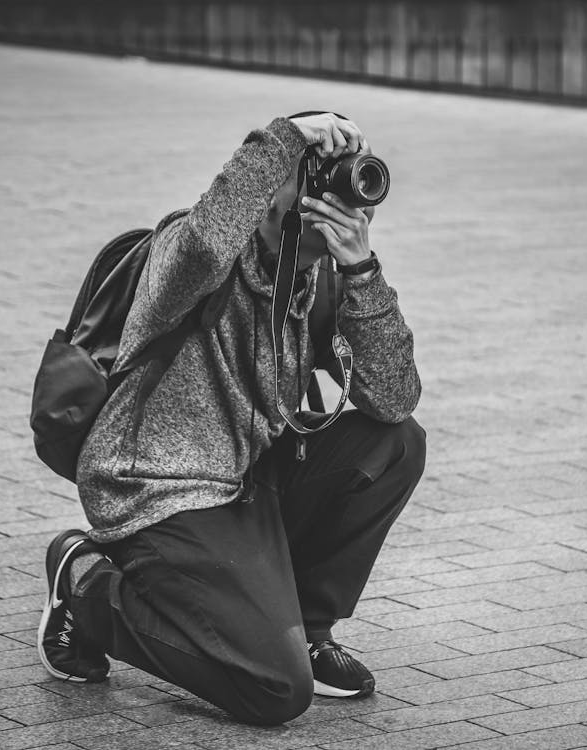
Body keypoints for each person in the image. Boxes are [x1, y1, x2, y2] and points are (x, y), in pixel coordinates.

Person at [35, 113, 425, 726]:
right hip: (161, 489)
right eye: (313, 183)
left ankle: (308, 628)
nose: (337, 201)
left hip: (245, 481)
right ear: (269, 192)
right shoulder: (191, 258)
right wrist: (288, 135)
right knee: (275, 691)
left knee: (396, 444)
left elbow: (394, 398)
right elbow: (205, 240)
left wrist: (360, 270)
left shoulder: (320, 278)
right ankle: (84, 583)